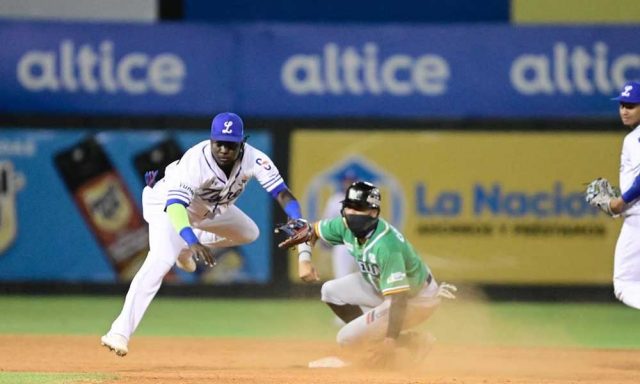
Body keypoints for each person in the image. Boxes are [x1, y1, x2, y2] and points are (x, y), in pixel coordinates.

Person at [101, 112, 307, 356]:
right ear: (210, 139)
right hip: (166, 205)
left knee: (250, 232)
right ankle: (119, 332)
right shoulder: (195, 161)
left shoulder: (254, 159)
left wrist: (296, 217)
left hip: (210, 212)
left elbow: (281, 192)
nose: (222, 148)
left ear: (242, 142)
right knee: (161, 260)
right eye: (218, 141)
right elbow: (176, 206)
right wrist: (191, 239)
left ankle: (185, 248)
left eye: (229, 143)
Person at [291, 181, 456, 366]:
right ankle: (390, 339)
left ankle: (411, 343)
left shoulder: (385, 245)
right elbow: (308, 231)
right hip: (381, 287)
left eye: (359, 208)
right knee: (330, 290)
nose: (352, 213)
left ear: (374, 213)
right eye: (349, 207)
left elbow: (399, 298)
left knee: (346, 339)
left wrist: (391, 340)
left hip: (416, 299)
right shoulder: (344, 226)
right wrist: (304, 260)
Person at [599, 81, 640, 309]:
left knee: (624, 284)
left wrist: (619, 202)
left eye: (632, 106)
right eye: (622, 104)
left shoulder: (635, 139)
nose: (624, 110)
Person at [320, 173, 358, 279]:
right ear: (343, 183)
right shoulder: (334, 200)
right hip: (342, 243)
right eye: (347, 181)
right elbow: (326, 221)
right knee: (342, 276)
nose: (349, 184)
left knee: (366, 277)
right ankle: (344, 296)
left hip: (361, 243)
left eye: (352, 181)